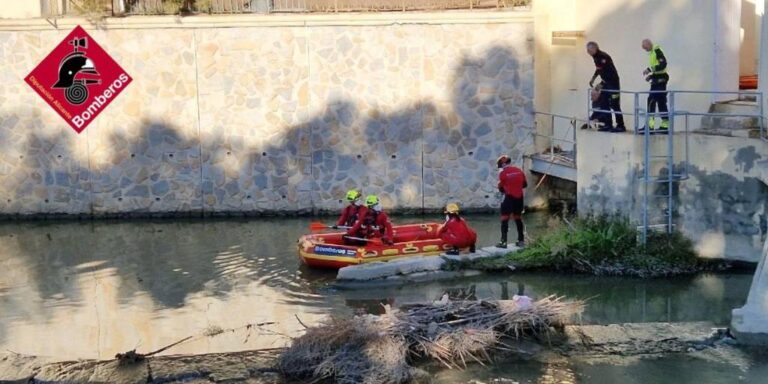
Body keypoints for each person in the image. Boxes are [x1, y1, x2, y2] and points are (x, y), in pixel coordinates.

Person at [586, 41, 625, 132]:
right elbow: (599, 70)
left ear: (595, 48)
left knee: (615, 105)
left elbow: (607, 72)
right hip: (606, 82)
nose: (588, 52)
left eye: (589, 50)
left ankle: (621, 125)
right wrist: (593, 79)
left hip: (613, 83)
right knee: (604, 103)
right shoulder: (595, 57)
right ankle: (608, 124)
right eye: (587, 50)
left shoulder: (603, 56)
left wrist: (601, 84)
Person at [496, 155, 527, 248]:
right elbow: (525, 184)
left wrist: (506, 189)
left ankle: (503, 242)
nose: (500, 168)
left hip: (508, 198)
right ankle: (521, 241)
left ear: (504, 164)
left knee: (504, 218)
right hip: (519, 198)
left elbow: (500, 188)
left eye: (501, 165)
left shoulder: (503, 174)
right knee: (518, 218)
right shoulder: (519, 171)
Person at [641, 38, 670, 134]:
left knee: (651, 100)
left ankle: (650, 126)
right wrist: (651, 76)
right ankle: (665, 125)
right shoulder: (653, 52)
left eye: (645, 48)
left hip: (660, 80)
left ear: (649, 44)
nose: (645, 50)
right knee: (661, 102)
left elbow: (663, 64)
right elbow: (658, 69)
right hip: (658, 78)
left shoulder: (657, 51)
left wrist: (649, 69)